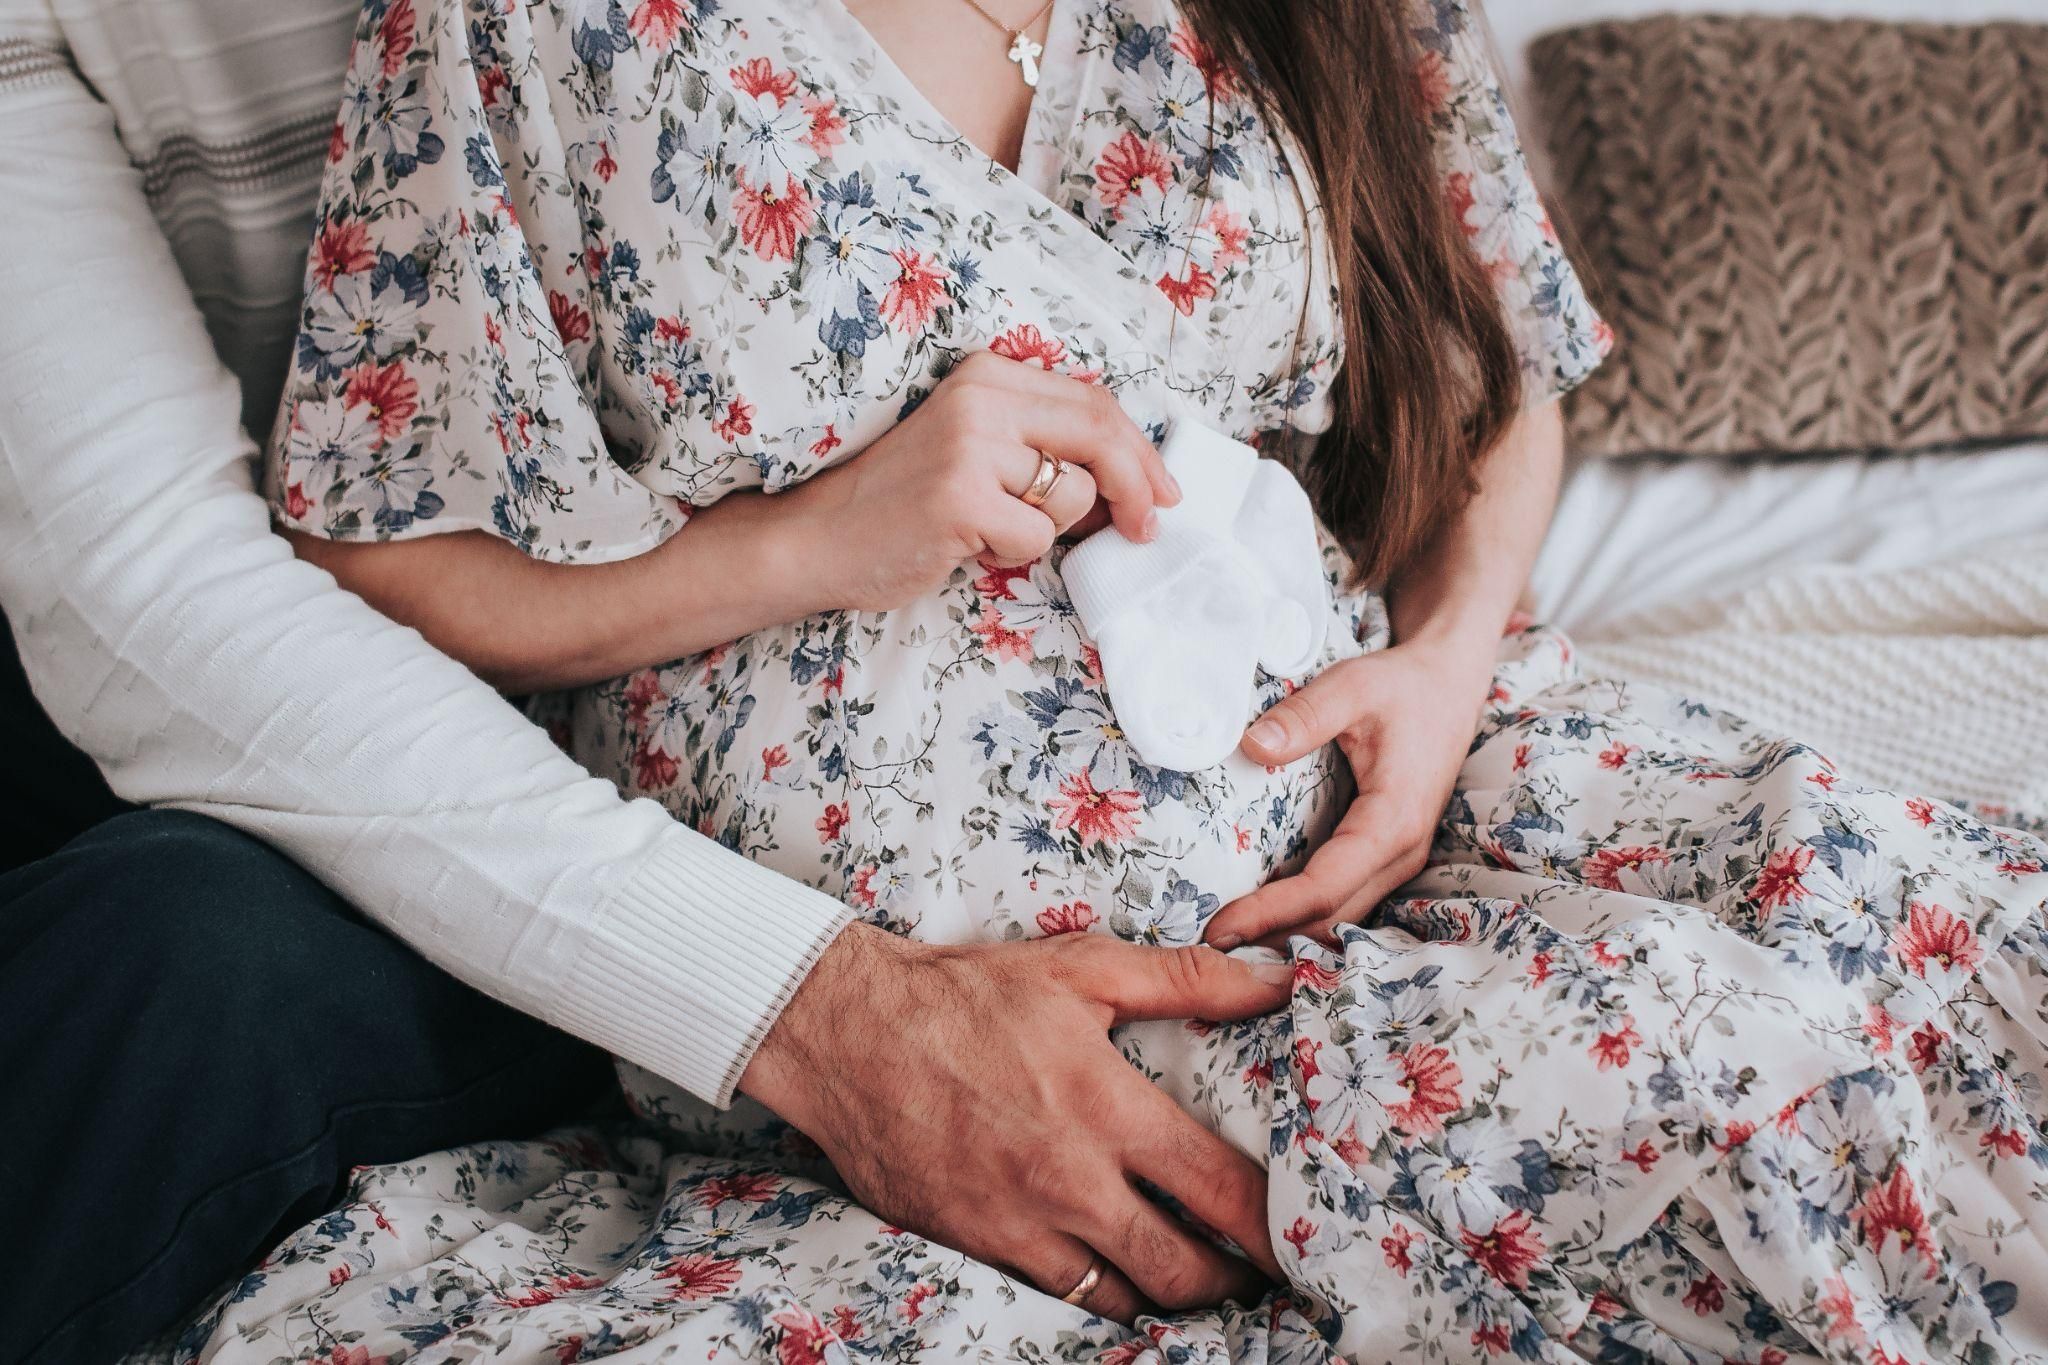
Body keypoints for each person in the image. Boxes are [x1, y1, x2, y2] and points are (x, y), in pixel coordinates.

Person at [166, 0, 2048, 1361]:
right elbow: (381, 547)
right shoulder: (533, 27)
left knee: (1945, 943)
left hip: (1418, 795)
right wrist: (825, 536)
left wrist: (1446, 674)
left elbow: (1498, 378)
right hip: (962, 1000)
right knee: (1697, 1096)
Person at [0, 1, 1292, 1358]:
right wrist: (818, 1007)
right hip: (324, 667)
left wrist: (1446, 652)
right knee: (168, 971)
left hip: (659, 667)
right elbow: (152, 595)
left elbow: (1450, 283)